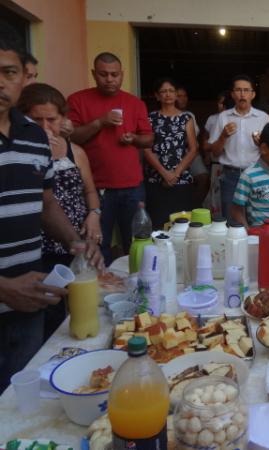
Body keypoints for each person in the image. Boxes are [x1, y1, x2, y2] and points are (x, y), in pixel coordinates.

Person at [0, 25, 102, 392]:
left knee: (20, 395)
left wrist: (77, 244)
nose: (1, 84)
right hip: (8, 288)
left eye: (9, 73)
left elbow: (44, 203)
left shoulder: (31, 137)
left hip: (30, 292)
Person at [17, 83, 103, 337]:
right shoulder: (21, 155)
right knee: (48, 312)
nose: (45, 127)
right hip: (39, 247)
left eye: (52, 119)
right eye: (36, 120)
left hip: (74, 241)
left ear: (63, 119)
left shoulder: (75, 152)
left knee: (84, 304)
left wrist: (94, 215)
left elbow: (89, 191)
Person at [67, 52, 154, 264]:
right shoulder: (78, 100)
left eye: (114, 74)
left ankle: (136, 286)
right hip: (95, 188)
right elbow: (71, 137)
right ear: (94, 74)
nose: (109, 79)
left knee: (136, 242)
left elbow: (149, 139)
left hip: (132, 185)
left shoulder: (134, 103)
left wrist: (133, 138)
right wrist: (100, 123)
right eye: (103, 74)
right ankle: (102, 288)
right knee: (97, 244)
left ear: (122, 74)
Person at [208, 75, 269, 220]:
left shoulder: (263, 117)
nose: (242, 94)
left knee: (258, 220)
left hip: (257, 174)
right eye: (238, 90)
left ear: (253, 94)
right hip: (230, 176)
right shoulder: (223, 117)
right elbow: (215, 153)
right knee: (231, 223)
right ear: (232, 94)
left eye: (246, 90)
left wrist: (260, 144)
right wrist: (223, 136)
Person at [144, 78, 198, 229]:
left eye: (171, 91)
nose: (168, 94)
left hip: (180, 180)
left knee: (182, 226)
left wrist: (176, 173)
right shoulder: (150, 118)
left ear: (176, 95)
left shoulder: (186, 118)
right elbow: (146, 148)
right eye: (163, 91)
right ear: (157, 96)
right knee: (158, 224)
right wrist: (164, 173)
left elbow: (193, 149)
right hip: (156, 179)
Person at [231, 120, 269, 228]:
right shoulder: (249, 176)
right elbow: (236, 210)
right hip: (260, 236)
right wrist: (248, 233)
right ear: (264, 148)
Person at [177, 85, 209, 208]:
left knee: (203, 177)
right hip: (176, 153)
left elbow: (196, 137)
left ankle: (195, 206)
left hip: (192, 152)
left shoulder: (190, 115)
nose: (183, 99)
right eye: (179, 96)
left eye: (185, 96)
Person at [202, 91, 228, 217]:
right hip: (216, 161)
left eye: (223, 103)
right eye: (219, 103)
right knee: (215, 192)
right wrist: (207, 154)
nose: (220, 106)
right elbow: (206, 139)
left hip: (228, 163)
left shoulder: (232, 119)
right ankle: (215, 218)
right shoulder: (212, 119)